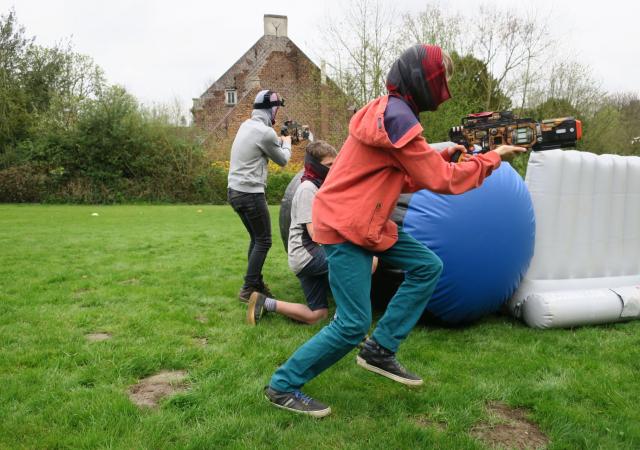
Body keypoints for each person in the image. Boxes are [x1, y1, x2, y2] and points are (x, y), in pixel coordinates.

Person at [263, 44, 527, 418]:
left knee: (426, 266)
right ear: (423, 80)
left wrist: (440, 155)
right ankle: (283, 385)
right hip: (345, 226)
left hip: (366, 223)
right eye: (443, 78)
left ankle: (380, 349)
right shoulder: (397, 119)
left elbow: (406, 176)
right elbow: (442, 182)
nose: (446, 86)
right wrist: (493, 158)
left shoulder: (392, 113)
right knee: (353, 323)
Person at [246, 140, 337, 326]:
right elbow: (315, 234)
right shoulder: (307, 190)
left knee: (317, 315)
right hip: (306, 255)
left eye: (335, 164)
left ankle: (263, 302)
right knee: (359, 261)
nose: (333, 169)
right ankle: (348, 318)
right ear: (315, 166)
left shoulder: (320, 187)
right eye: (329, 165)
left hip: (308, 255)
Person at [227, 89, 291, 303]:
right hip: (249, 193)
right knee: (264, 240)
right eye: (276, 109)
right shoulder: (266, 133)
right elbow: (282, 160)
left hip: (234, 192)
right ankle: (248, 289)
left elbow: (265, 148)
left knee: (256, 239)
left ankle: (255, 283)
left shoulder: (246, 126)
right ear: (271, 110)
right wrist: (288, 142)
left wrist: (280, 142)